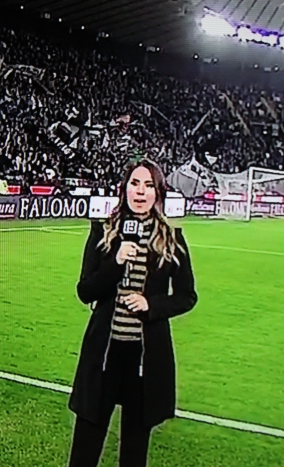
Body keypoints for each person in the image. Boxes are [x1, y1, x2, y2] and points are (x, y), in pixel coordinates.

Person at [68, 158, 198, 467]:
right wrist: (116, 262)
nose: (140, 192)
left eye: (148, 185)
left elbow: (187, 296)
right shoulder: (104, 232)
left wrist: (152, 305)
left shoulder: (172, 240)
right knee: (84, 450)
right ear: (124, 189)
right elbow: (85, 291)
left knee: (134, 454)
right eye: (134, 183)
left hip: (144, 361)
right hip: (104, 356)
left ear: (158, 193)